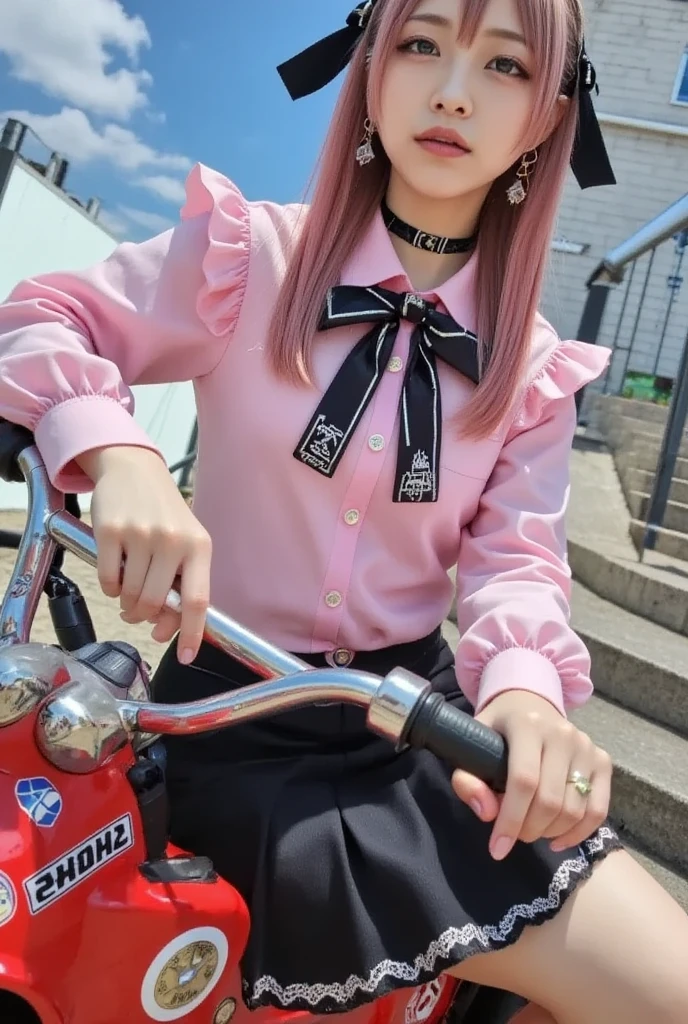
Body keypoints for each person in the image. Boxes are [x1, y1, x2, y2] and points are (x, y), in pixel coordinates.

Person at [0, 0, 687, 1021]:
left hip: (423, 735)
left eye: (503, 65)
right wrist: (120, 453)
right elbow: (42, 315)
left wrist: (529, 697)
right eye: (421, 44)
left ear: (546, 117)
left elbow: (519, 563)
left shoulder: (534, 369)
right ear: (370, 71)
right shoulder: (250, 257)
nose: (452, 89)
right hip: (219, 709)